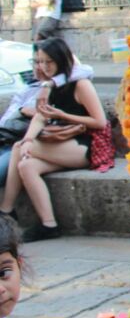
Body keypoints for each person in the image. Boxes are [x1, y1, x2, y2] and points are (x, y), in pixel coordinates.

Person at [0, 40, 109, 241]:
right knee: (27, 166)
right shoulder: (49, 86)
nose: (43, 67)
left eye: (48, 62)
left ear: (61, 60)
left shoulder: (81, 84)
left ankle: (5, 212)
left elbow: (100, 122)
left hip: (86, 146)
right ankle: (49, 225)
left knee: (18, 148)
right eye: (40, 62)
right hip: (61, 145)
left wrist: (63, 115)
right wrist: (30, 139)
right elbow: (40, 117)